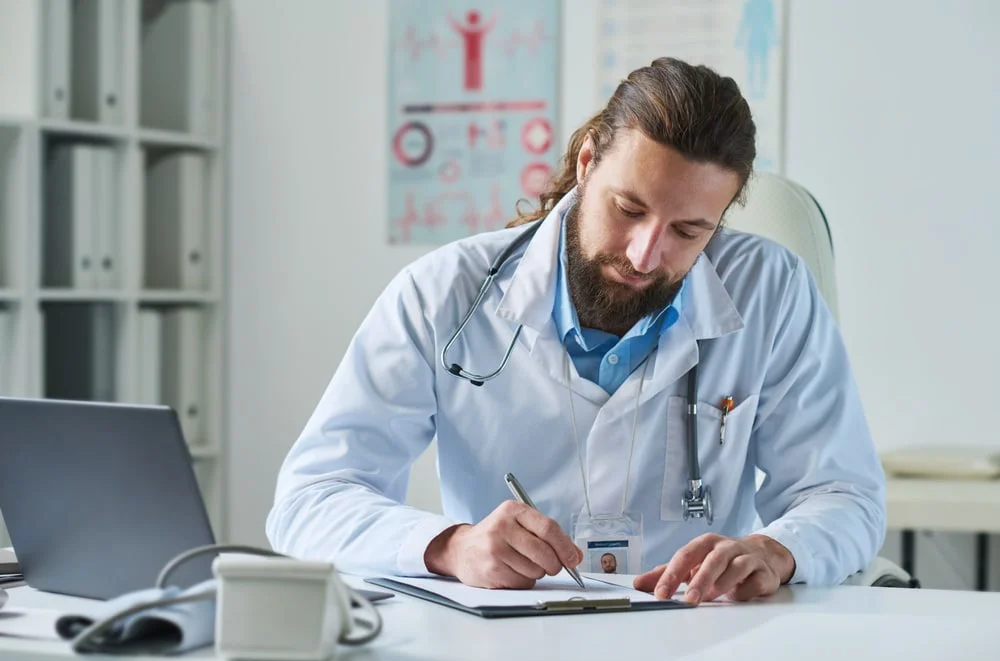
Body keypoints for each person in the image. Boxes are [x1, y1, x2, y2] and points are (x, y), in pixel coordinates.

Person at [266, 57, 886, 606]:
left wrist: (777, 551)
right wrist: (450, 545)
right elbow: (309, 501)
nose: (645, 255)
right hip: (507, 639)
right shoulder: (443, 293)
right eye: (630, 209)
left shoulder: (771, 290)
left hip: (697, 631)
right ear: (587, 163)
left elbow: (844, 495)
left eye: (688, 231)